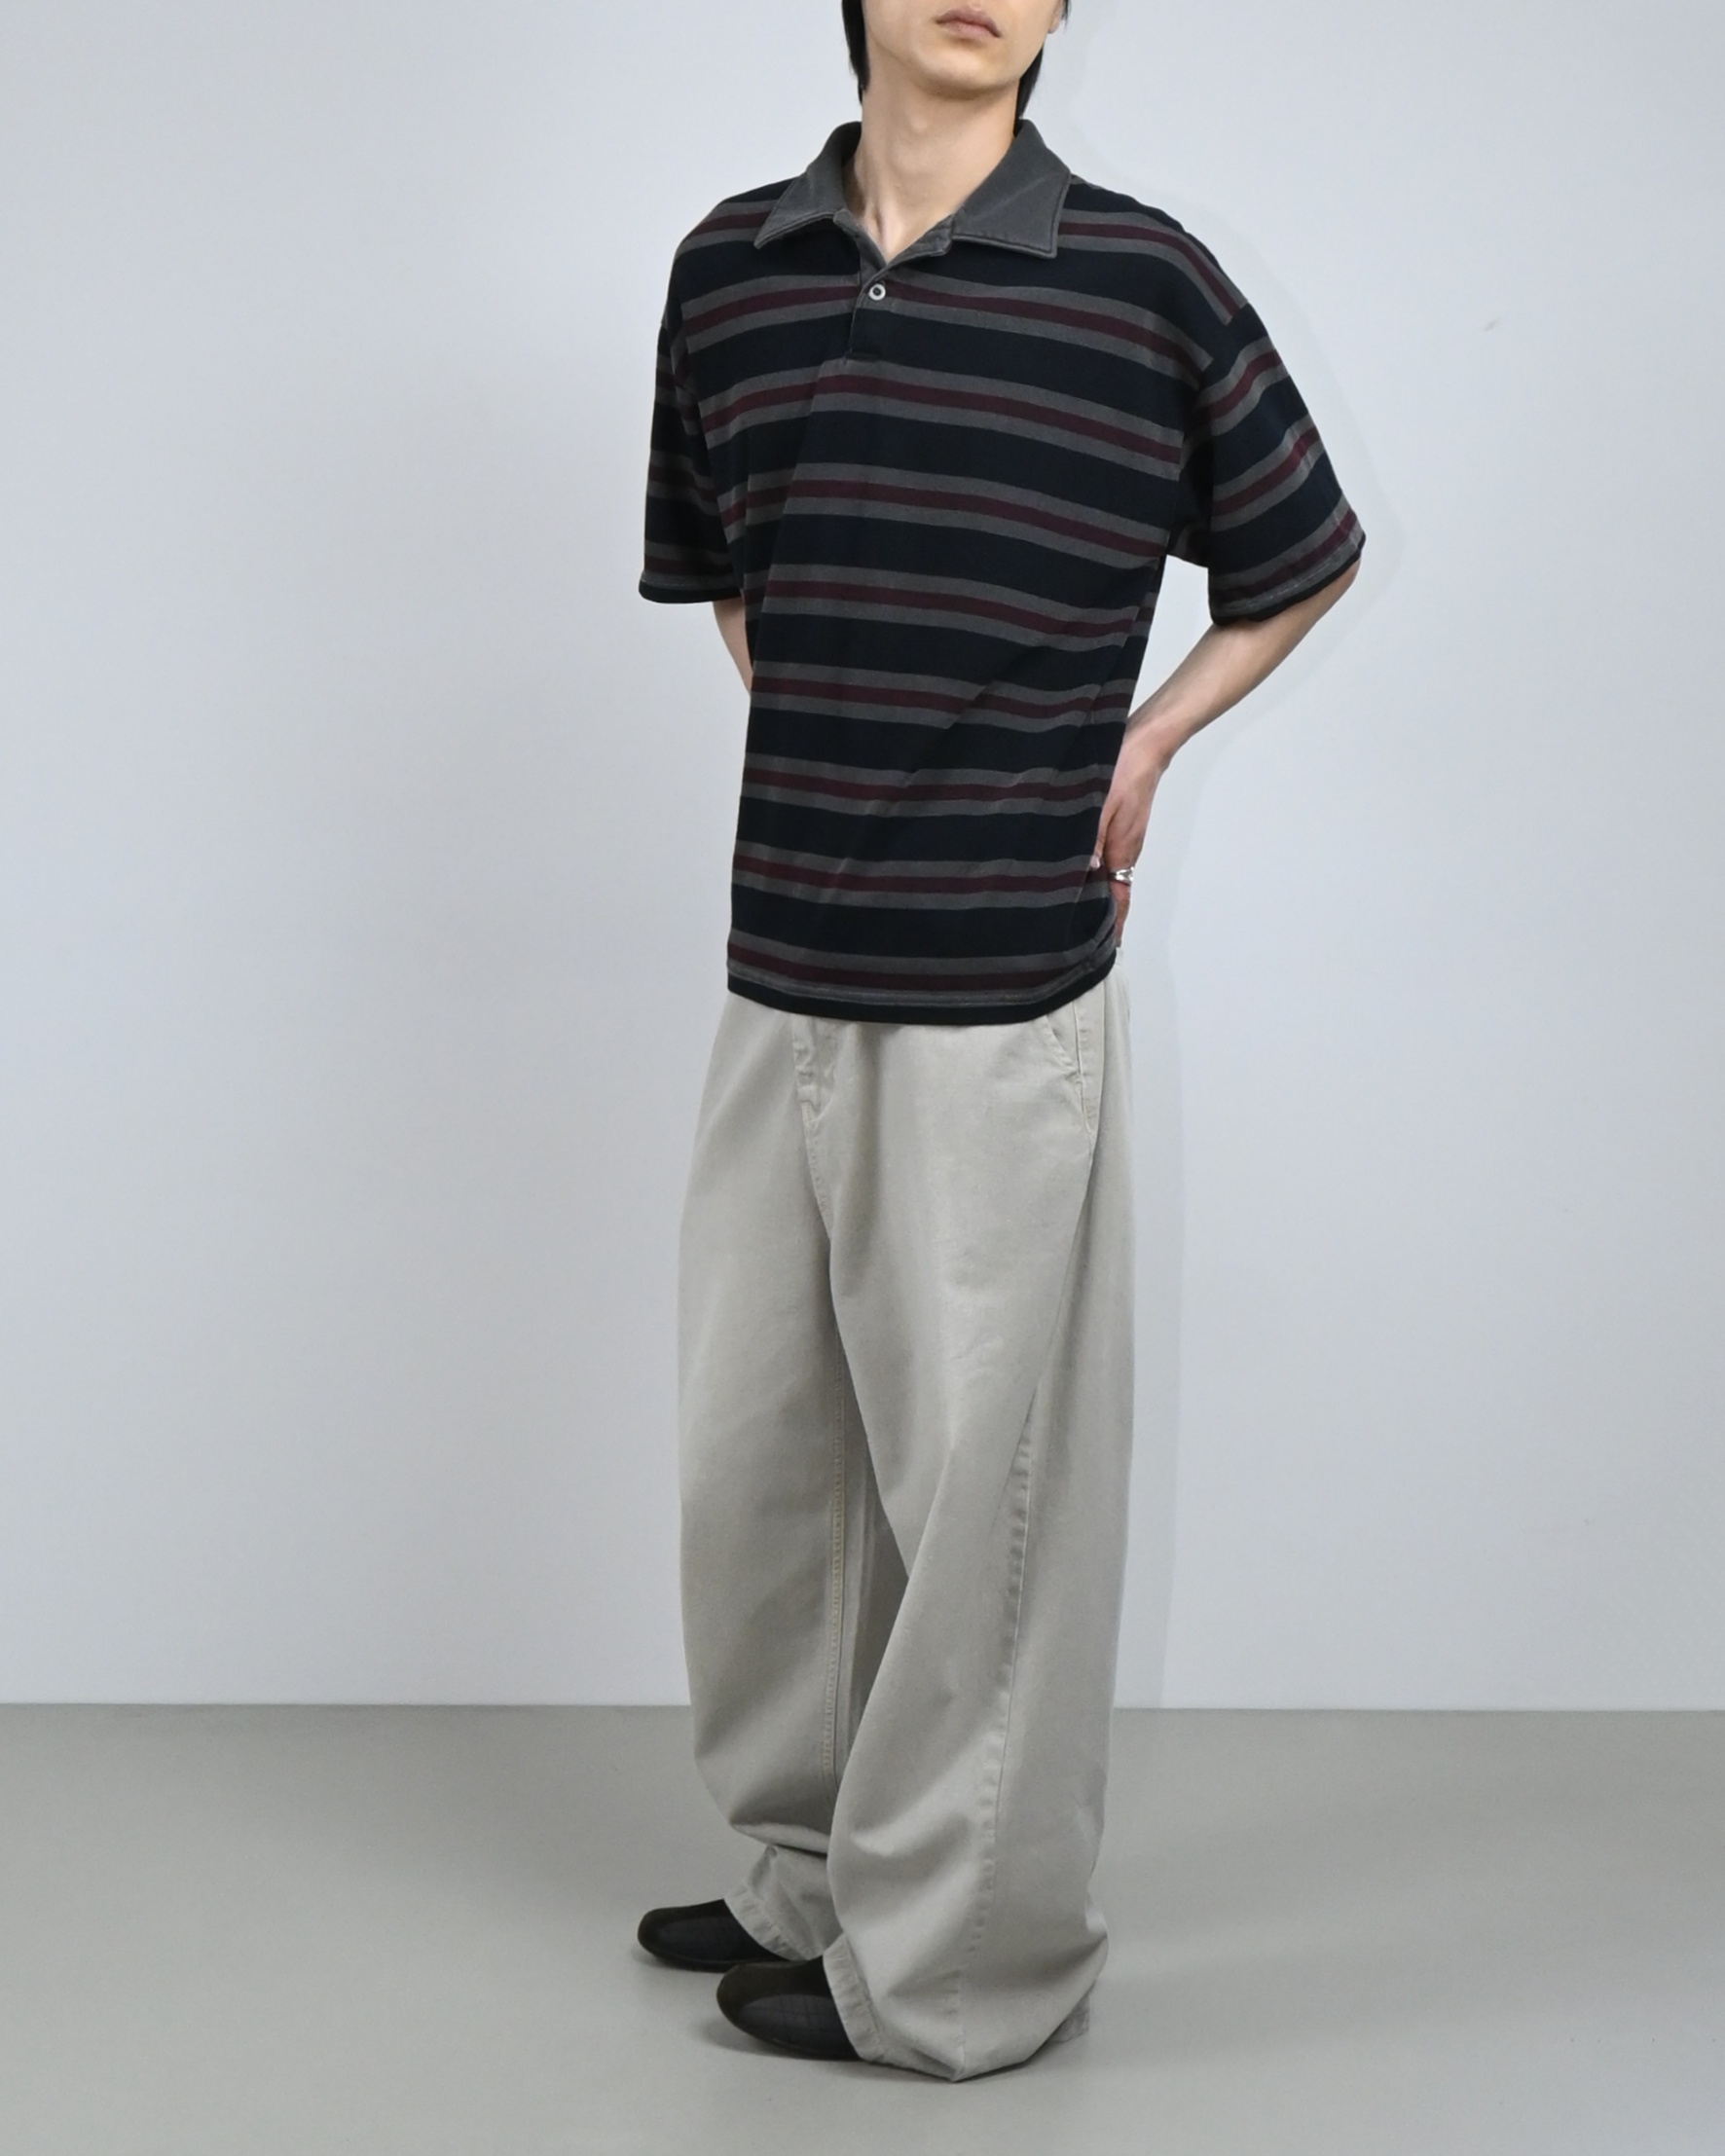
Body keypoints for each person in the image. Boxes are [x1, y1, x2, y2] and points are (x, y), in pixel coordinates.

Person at [634, 0, 1362, 2079]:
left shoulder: (1137, 279)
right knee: (767, 1474)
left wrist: (1144, 742)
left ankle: (966, 1965)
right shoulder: (729, 268)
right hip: (782, 961)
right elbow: (736, 580)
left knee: (988, 1502)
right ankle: (810, 1873)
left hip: (1000, 985)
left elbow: (1301, 554)